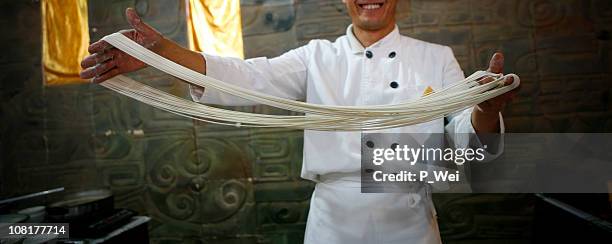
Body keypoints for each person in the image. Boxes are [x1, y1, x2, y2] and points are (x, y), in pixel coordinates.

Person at [81, 1, 516, 243]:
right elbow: (247, 77)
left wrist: (485, 110)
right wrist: (163, 54)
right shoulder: (316, 57)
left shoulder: (436, 58)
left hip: (411, 220)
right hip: (333, 222)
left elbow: (464, 141)